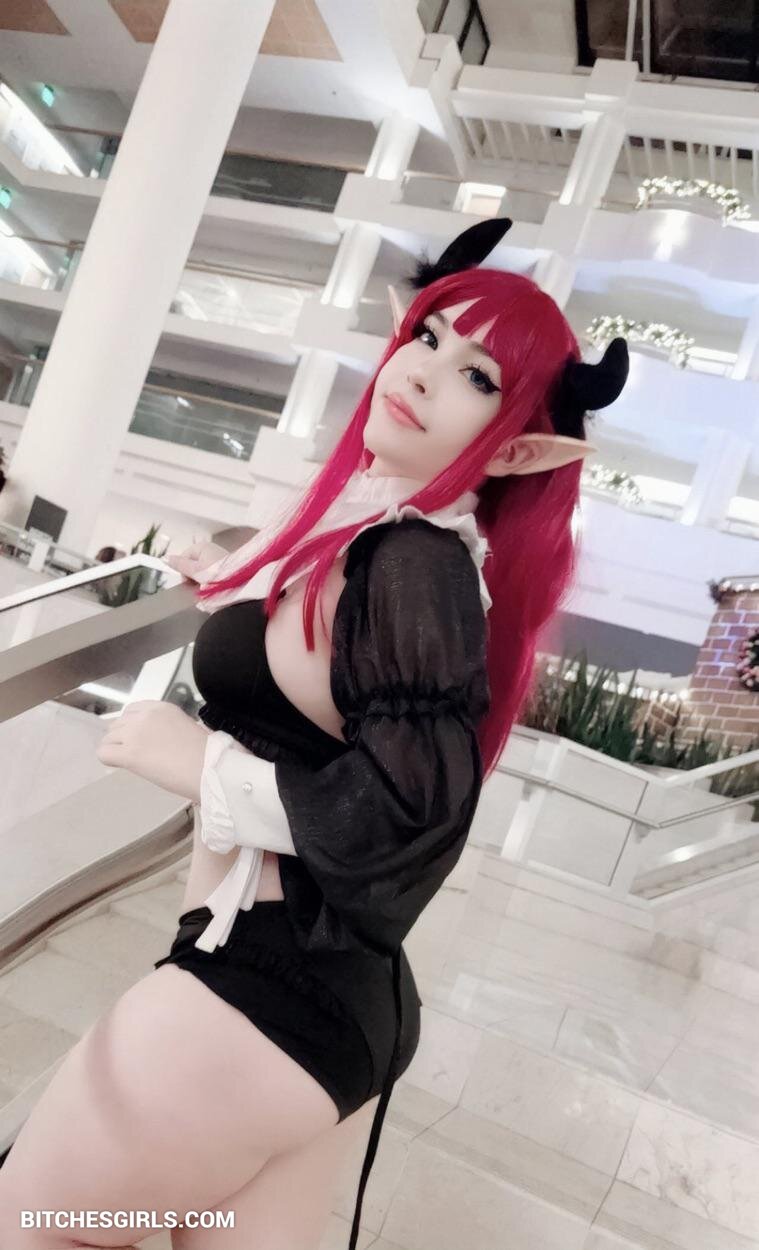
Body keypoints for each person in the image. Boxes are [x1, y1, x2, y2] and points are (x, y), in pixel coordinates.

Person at [0, 219, 628, 1250]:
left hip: (262, 992)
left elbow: (412, 815)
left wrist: (201, 760)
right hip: (315, 1015)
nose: (422, 372)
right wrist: (228, 582)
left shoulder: (418, 564)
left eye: (475, 376)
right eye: (427, 337)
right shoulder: (377, 530)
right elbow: (329, 672)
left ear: (518, 448)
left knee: (35, 1226)